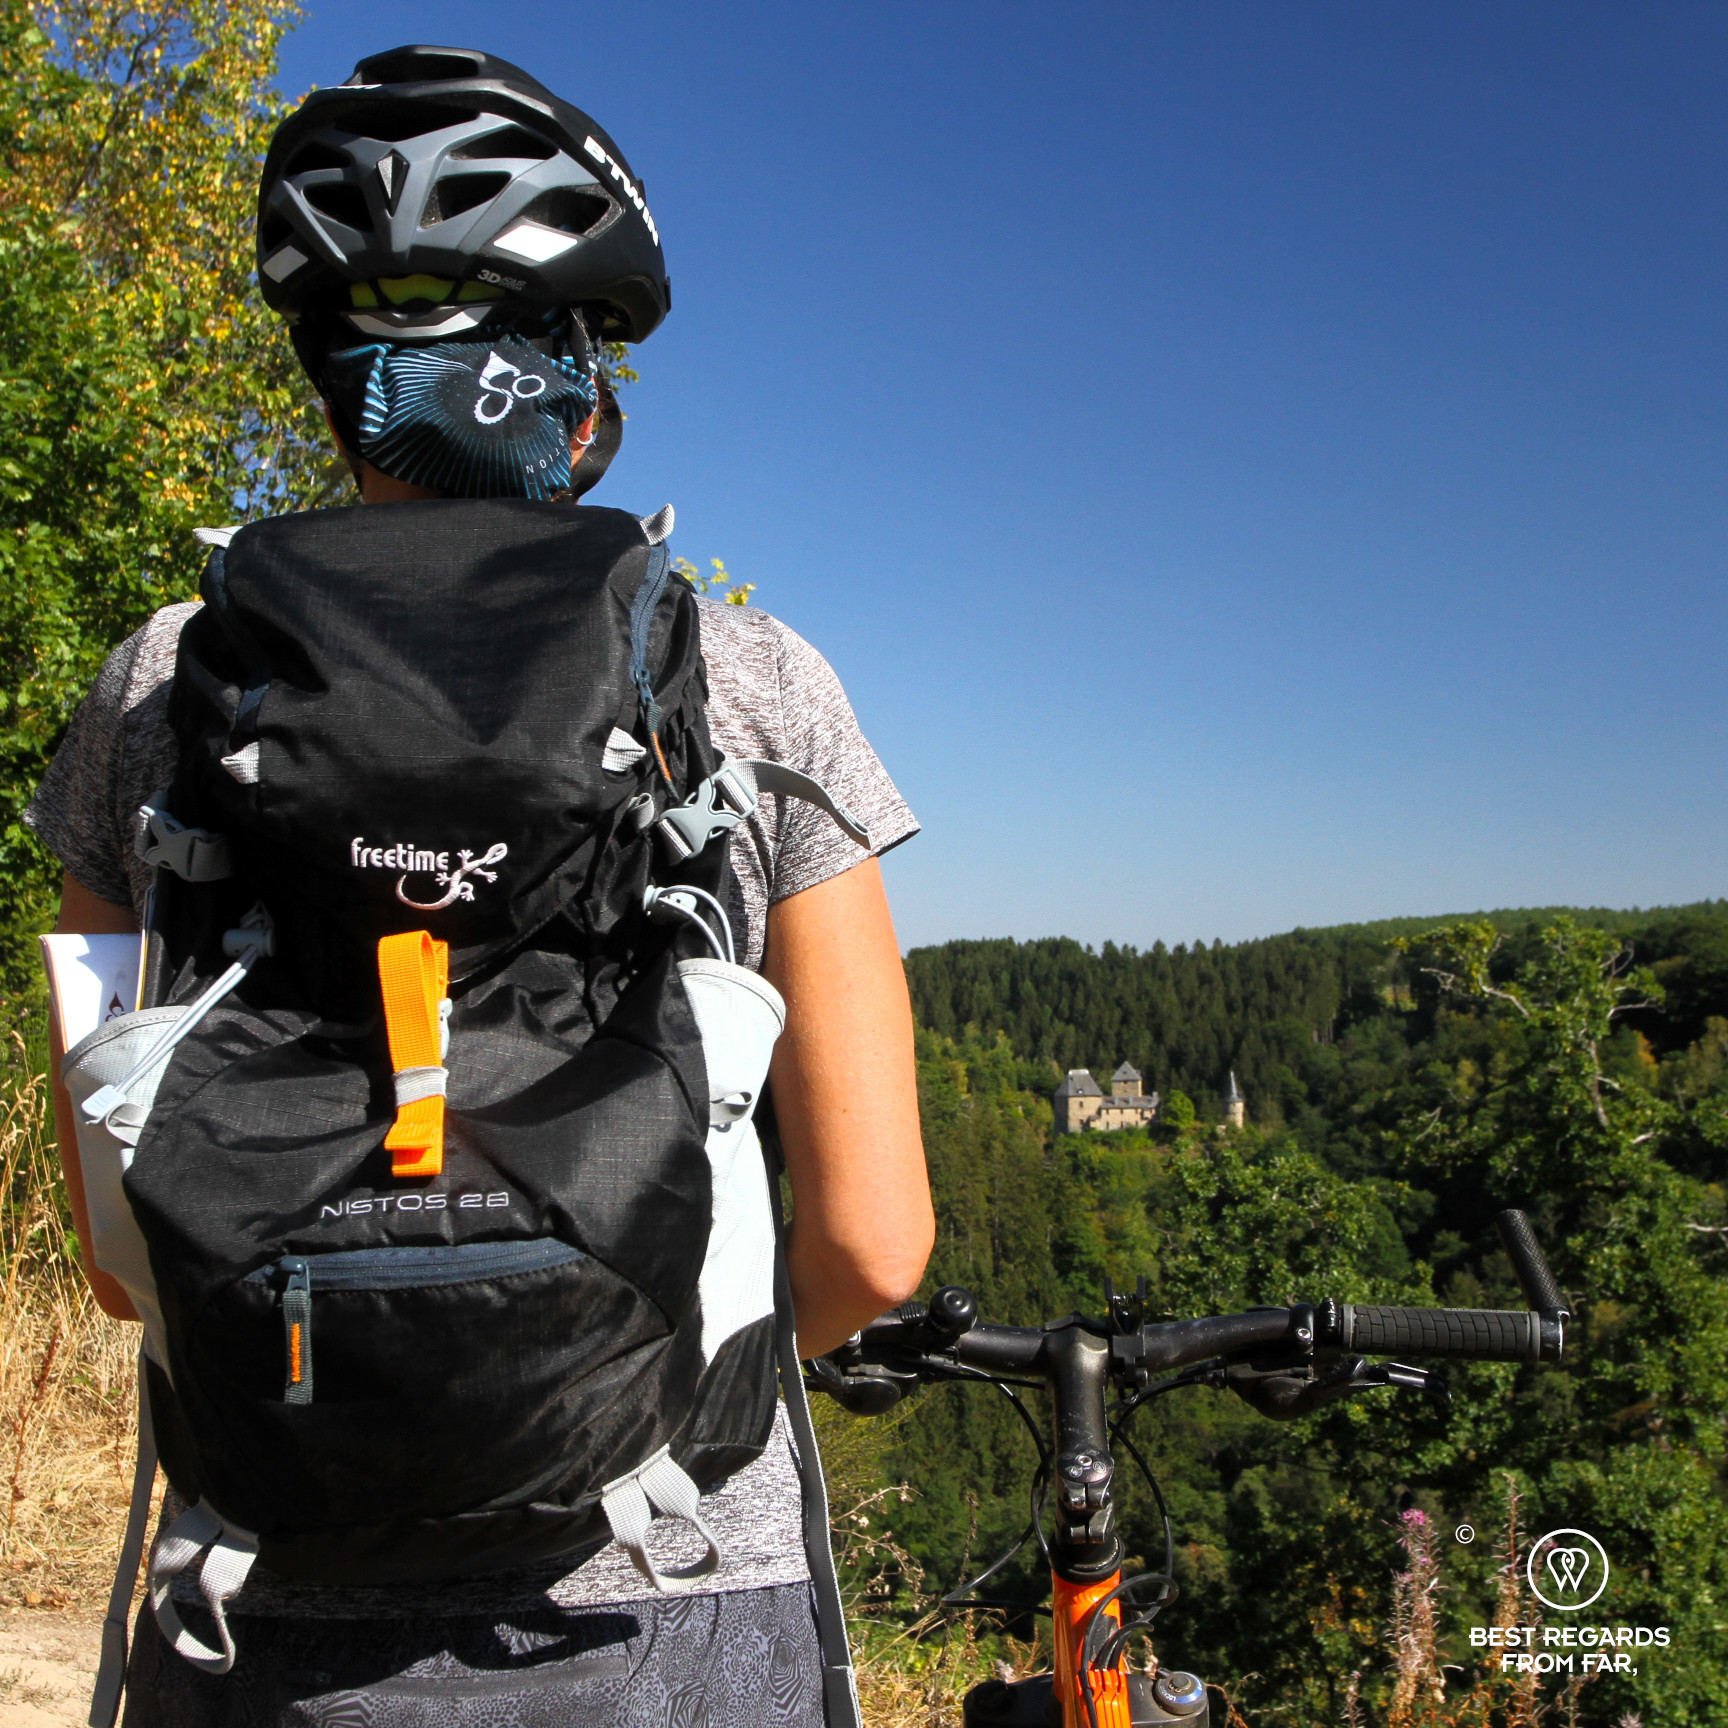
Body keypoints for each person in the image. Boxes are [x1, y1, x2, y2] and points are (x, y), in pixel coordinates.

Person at [28, 43, 934, 1728]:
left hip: (260, 1580)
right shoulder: (747, 678)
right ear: (561, 374)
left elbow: (111, 1234)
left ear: (334, 380)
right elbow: (876, 1247)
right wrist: (640, 1377)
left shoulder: (162, 679)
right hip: (669, 1587)